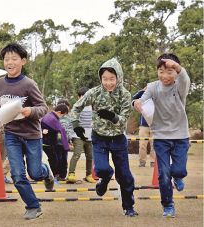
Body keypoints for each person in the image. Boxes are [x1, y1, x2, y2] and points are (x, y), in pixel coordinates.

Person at [0, 43, 54, 220]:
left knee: (35, 173)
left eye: (14, 58)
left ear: (23, 61)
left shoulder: (29, 84)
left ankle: (46, 173)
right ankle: (33, 206)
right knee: (16, 174)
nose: (10, 62)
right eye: (7, 59)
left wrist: (30, 111)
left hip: (31, 136)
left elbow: (43, 108)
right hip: (12, 135)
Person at [70, 57, 138, 217]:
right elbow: (76, 107)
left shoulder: (125, 95)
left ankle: (128, 206)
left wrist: (112, 116)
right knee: (101, 169)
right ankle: (105, 179)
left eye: (112, 79)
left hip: (118, 139)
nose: (108, 83)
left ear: (118, 78)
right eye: (105, 79)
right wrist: (76, 125)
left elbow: (122, 122)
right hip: (99, 137)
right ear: (100, 78)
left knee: (124, 176)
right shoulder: (93, 93)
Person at [133, 53, 190, 218]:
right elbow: (142, 99)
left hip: (180, 136)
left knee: (178, 170)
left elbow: (185, 79)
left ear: (176, 73)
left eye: (170, 72)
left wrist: (178, 68)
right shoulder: (152, 86)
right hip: (160, 137)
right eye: (161, 71)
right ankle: (168, 205)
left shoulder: (180, 86)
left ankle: (178, 177)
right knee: (163, 174)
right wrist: (138, 103)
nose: (165, 76)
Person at [67, 87, 96, 183]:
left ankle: (88, 175)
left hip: (90, 136)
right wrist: (70, 135)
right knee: (77, 154)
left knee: (90, 156)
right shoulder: (76, 107)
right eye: (82, 96)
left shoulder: (93, 107)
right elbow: (71, 122)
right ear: (79, 97)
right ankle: (71, 174)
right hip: (78, 136)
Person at [41, 104, 70, 180]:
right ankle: (56, 175)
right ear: (60, 112)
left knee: (55, 159)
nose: (62, 117)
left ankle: (57, 175)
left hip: (51, 142)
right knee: (54, 159)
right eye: (63, 115)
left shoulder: (49, 116)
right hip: (49, 143)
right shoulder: (52, 118)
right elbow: (61, 130)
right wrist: (66, 146)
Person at [132, 89, 156, 167]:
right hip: (143, 125)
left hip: (155, 125)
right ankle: (142, 162)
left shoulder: (157, 93)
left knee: (154, 145)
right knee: (142, 144)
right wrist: (143, 90)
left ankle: (153, 162)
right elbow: (133, 98)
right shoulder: (143, 94)